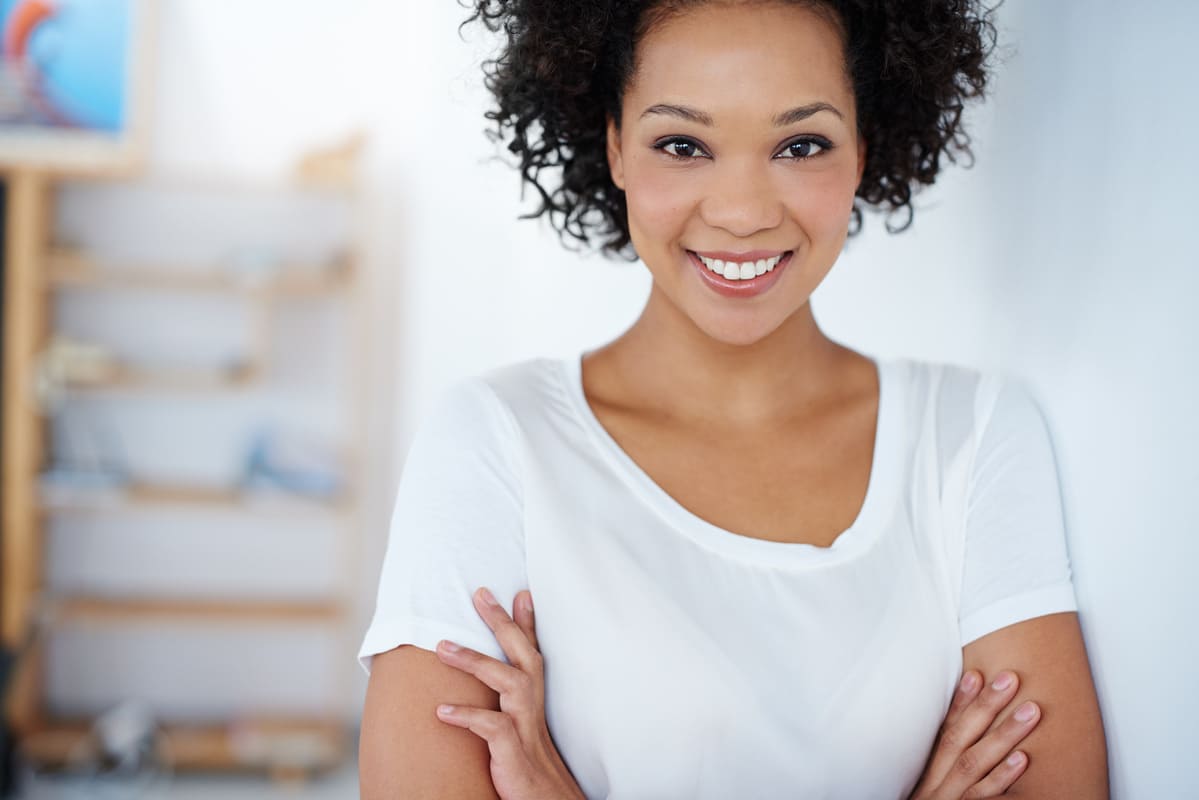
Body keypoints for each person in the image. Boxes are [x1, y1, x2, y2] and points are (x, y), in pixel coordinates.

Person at [357, 1, 1109, 797]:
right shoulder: (494, 439)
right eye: (682, 145)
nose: (742, 212)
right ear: (613, 144)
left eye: (801, 144)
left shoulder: (972, 434)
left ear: (864, 148)